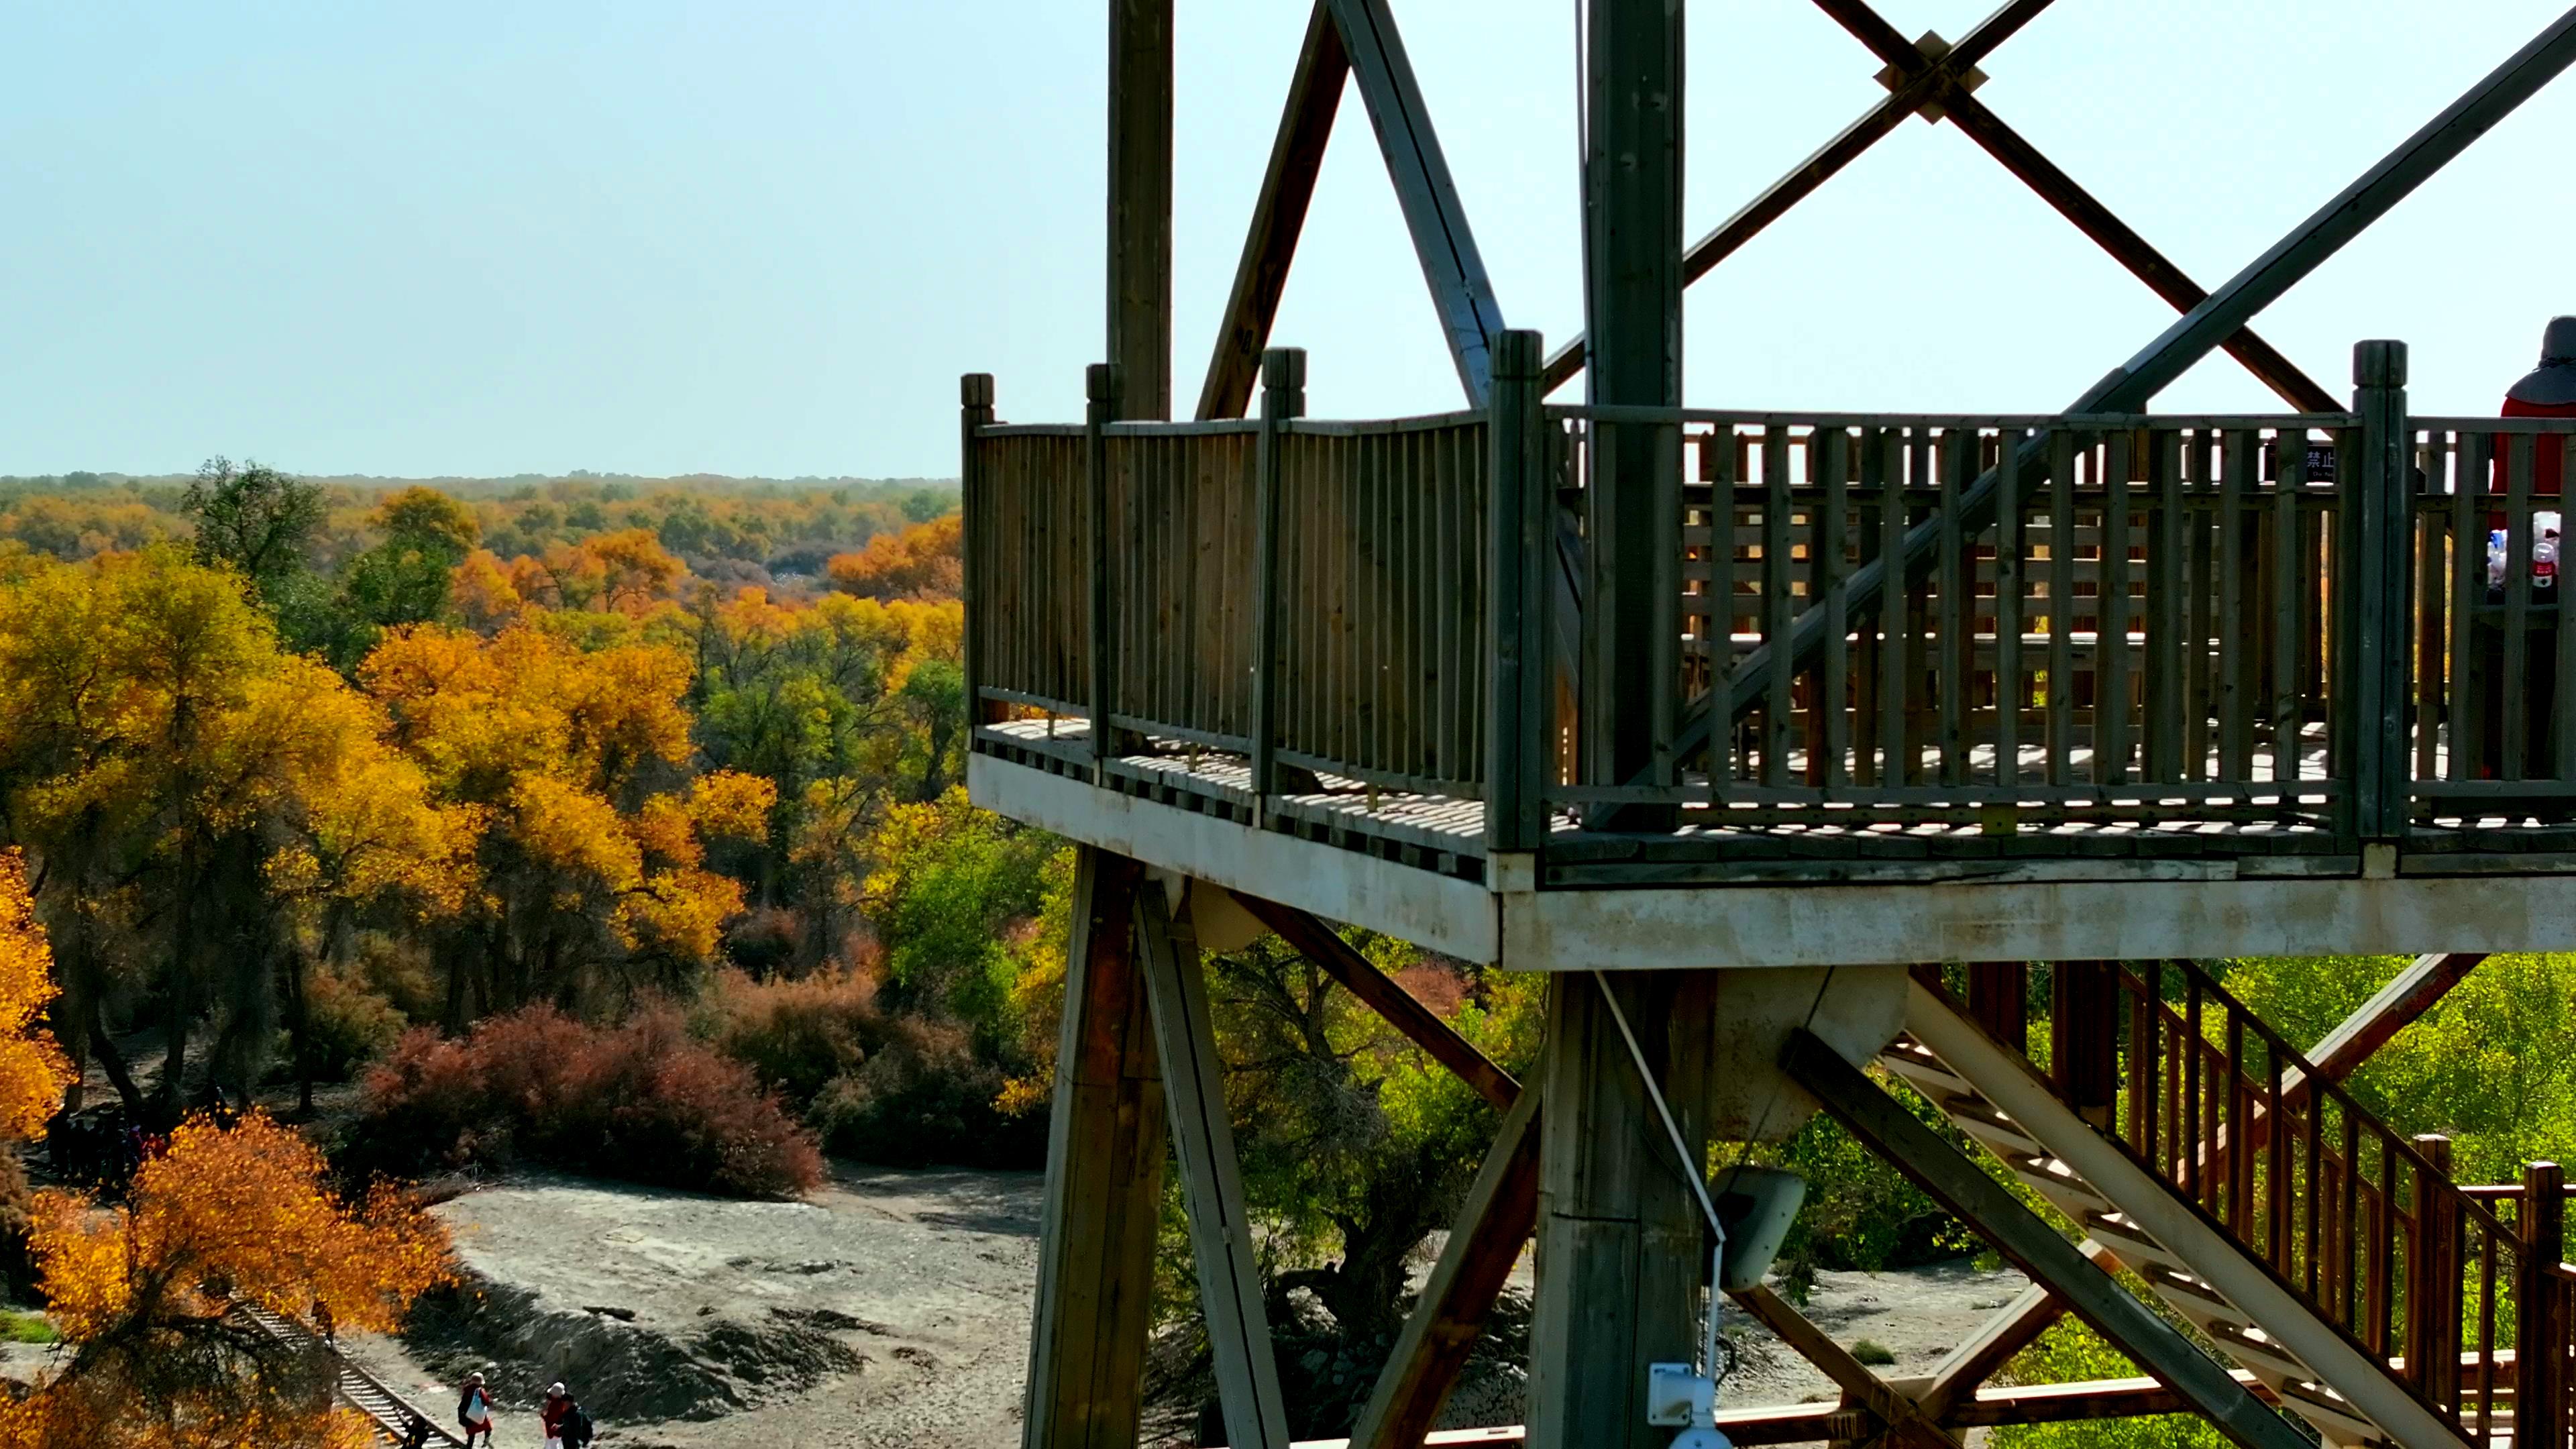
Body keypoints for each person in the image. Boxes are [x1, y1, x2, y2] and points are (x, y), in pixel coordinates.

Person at [541, 1381, 594, 1449]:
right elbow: (568, 1425)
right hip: (565, 1440)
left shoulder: (575, 1414)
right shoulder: (568, 1411)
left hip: (571, 1442)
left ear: (568, 1403)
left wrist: (544, 1417)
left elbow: (576, 1429)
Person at [456, 1371, 495, 1448]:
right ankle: (486, 1441)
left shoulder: (467, 1390)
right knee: (488, 1427)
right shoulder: (480, 1391)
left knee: (471, 1434)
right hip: (478, 1414)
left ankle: (469, 1447)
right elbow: (486, 1402)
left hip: (468, 1415)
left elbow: (463, 1402)